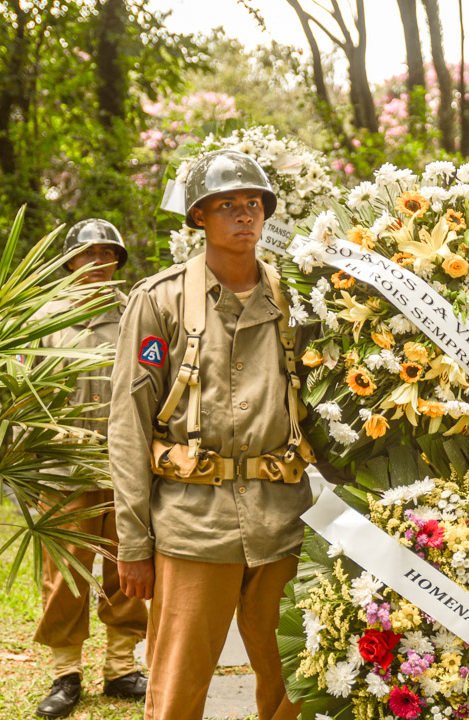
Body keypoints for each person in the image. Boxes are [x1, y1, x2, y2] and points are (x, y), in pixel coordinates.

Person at [108, 149, 319, 720]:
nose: (244, 215)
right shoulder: (160, 300)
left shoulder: (297, 302)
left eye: (254, 203)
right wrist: (133, 543)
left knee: (296, 684)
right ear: (199, 216)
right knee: (178, 688)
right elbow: (128, 424)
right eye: (227, 205)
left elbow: (325, 408)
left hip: (281, 521)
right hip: (193, 525)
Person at [34, 219, 149, 719]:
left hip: (125, 467)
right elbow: (18, 396)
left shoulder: (137, 318)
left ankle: (121, 668)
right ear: (70, 261)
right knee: (66, 573)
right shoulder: (41, 320)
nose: (99, 263)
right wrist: (40, 437)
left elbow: (155, 380)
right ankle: (66, 673)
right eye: (88, 254)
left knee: (129, 567)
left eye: (108, 255)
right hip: (62, 470)